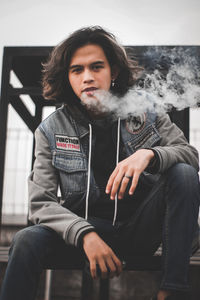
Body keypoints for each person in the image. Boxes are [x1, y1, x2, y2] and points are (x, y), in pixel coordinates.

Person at [0, 26, 200, 300]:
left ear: (113, 72)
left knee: (184, 172)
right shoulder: (50, 130)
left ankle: (172, 291)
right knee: (25, 240)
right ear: (67, 77)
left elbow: (190, 155)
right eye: (77, 70)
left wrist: (150, 155)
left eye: (96, 67)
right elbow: (41, 204)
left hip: (138, 231)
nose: (88, 78)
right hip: (81, 236)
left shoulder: (145, 110)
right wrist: (86, 235)